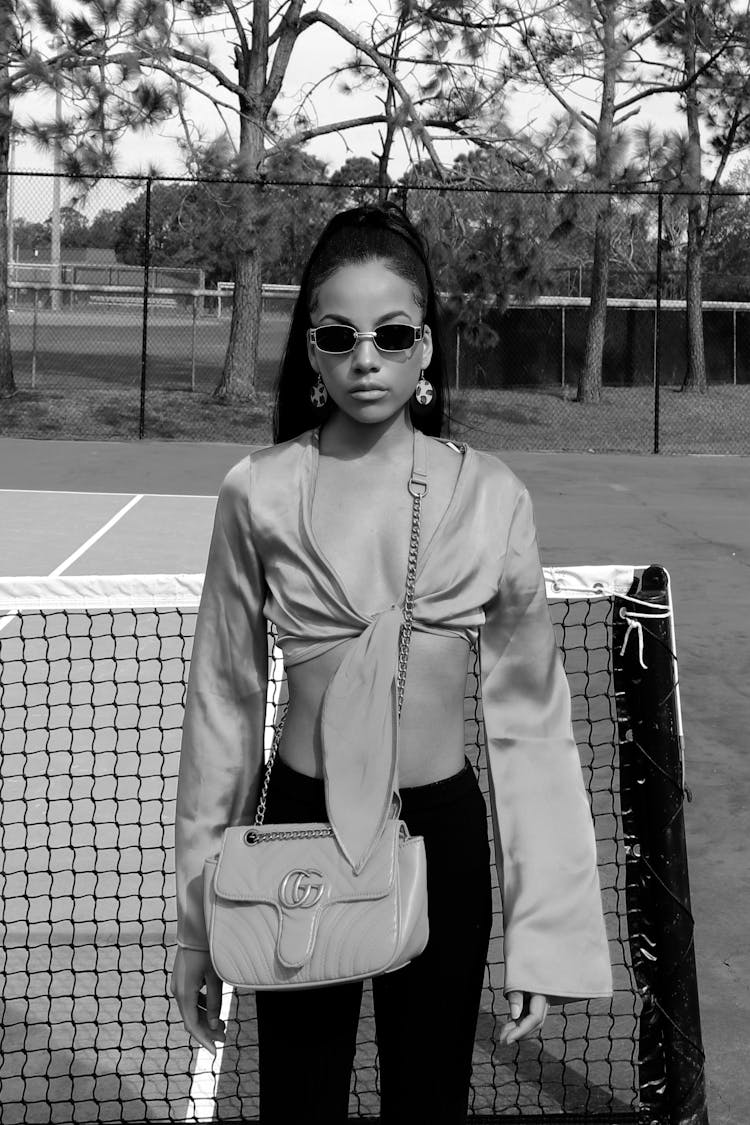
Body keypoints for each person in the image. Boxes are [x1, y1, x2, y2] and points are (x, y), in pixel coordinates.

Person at [171, 203, 612, 1123]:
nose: (365, 355)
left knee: (429, 1098)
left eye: (392, 332)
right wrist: (197, 922)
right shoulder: (256, 492)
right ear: (311, 353)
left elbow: (531, 719)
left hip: (439, 839)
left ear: (427, 350)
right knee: (297, 1098)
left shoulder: (490, 494)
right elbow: (224, 701)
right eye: (338, 334)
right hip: (297, 836)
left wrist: (548, 936)